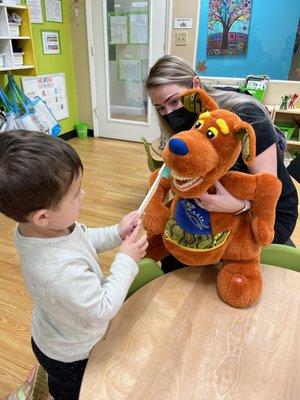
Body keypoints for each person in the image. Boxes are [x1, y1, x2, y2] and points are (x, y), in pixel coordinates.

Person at [0, 130, 148, 400]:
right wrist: (126, 260)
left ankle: (46, 377)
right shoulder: (58, 272)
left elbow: (83, 238)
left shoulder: (41, 229)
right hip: (72, 356)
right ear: (43, 217)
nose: (84, 195)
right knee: (76, 393)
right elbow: (102, 308)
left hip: (53, 331)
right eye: (76, 194)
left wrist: (117, 232)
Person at [146, 55, 298, 272]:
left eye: (174, 101)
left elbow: (267, 192)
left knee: (223, 261)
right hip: (213, 206)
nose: (169, 113)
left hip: (265, 213)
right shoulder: (187, 129)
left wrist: (238, 206)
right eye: (161, 108)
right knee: (174, 258)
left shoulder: (245, 117)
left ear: (195, 84)